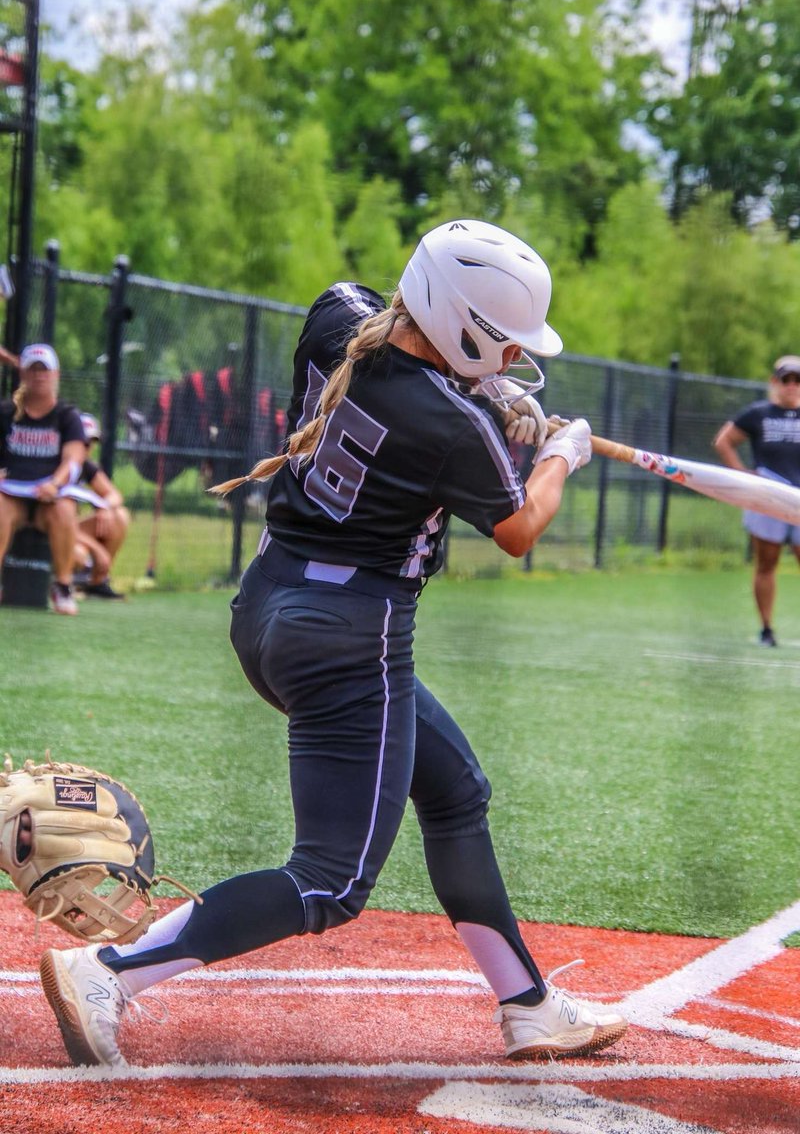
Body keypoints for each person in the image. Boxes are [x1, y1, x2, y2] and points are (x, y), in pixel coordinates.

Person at [39, 220, 627, 1066]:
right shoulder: (452, 424)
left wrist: (494, 398)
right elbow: (519, 527)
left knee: (455, 788)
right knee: (330, 880)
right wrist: (562, 454)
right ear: (461, 326)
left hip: (268, 605)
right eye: (501, 345)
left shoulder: (338, 319)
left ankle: (529, 1005)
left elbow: (398, 357)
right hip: (352, 641)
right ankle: (109, 972)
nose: (511, 360)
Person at [714, 354, 800, 647]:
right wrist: (743, 476)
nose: (792, 385)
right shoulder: (759, 413)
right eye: (786, 379)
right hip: (768, 496)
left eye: (798, 380)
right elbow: (724, 441)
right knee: (767, 563)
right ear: (775, 382)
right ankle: (766, 629)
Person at [0, 343, 86, 615]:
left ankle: (62, 586)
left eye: (44, 370)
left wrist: (55, 484)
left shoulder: (67, 416)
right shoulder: (5, 412)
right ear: (23, 374)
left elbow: (74, 459)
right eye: (33, 370)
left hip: (49, 497)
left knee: (65, 509)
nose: (39, 376)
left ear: (55, 374)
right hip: (11, 496)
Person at [72, 412, 129, 600]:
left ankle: (97, 582)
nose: (88, 447)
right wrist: (97, 550)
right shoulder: (57, 464)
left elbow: (114, 495)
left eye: (91, 443)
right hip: (49, 533)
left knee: (119, 515)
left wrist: (104, 506)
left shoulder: (85, 466)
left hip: (70, 530)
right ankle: (62, 581)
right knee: (78, 555)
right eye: (83, 442)